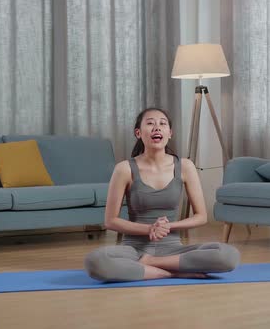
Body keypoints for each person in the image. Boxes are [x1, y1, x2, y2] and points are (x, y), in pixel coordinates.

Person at [84, 108, 240, 282]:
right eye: (150, 123)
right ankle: (171, 272)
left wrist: (168, 227)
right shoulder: (124, 169)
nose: (157, 127)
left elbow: (201, 216)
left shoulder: (185, 166)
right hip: (134, 250)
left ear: (170, 133)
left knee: (228, 255)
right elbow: (110, 221)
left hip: (173, 249)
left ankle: (152, 263)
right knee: (95, 261)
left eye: (162, 124)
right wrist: (150, 229)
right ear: (138, 133)